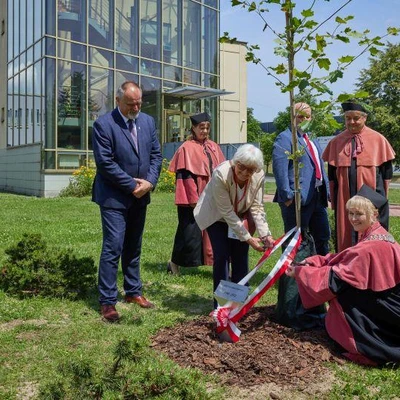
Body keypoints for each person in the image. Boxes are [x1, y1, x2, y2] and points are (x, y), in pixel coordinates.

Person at [286, 185, 400, 365]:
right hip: (390, 304)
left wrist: (300, 272)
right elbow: (345, 259)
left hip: (386, 311)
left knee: (343, 293)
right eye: (350, 213)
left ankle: (366, 345)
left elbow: (335, 279)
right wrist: (316, 261)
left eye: (359, 214)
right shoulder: (379, 235)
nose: (353, 219)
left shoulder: (369, 246)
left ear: (374, 215)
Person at [92, 81, 163, 322]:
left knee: (134, 246)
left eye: (139, 102)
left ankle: (133, 292)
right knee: (113, 246)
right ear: (117, 100)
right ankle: (108, 301)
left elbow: (156, 155)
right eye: (131, 103)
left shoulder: (148, 121)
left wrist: (149, 183)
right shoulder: (103, 125)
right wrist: (133, 185)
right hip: (114, 197)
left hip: (141, 196)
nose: (136, 107)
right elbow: (105, 164)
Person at [194, 144, 275, 309]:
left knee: (241, 256)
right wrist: (248, 238)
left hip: (239, 216)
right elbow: (226, 212)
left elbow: (257, 207)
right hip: (217, 216)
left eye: (250, 170)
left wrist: (266, 234)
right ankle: (221, 307)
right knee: (222, 256)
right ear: (235, 162)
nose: (245, 173)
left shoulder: (258, 175)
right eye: (242, 167)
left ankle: (238, 305)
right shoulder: (221, 174)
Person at [323, 101, 395, 252]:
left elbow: (386, 173)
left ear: (364, 118)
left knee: (372, 231)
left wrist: (382, 199)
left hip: (373, 196)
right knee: (346, 230)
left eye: (356, 118)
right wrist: (335, 200)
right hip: (345, 198)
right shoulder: (337, 142)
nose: (351, 122)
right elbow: (332, 176)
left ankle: (374, 261)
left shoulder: (378, 140)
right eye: (348, 118)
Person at [167, 112, 225, 275]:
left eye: (207, 128)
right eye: (201, 128)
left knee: (214, 231)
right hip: (193, 197)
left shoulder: (214, 146)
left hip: (212, 196)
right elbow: (184, 175)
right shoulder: (186, 148)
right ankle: (174, 263)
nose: (205, 131)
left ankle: (215, 261)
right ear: (193, 128)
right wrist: (194, 199)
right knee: (189, 232)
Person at [272, 102, 330, 256]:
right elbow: (280, 168)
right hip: (296, 198)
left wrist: (327, 191)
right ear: (292, 117)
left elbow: (319, 165)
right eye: (300, 116)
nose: (304, 119)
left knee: (323, 237)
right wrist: (287, 195)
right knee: (296, 241)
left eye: (307, 116)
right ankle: (292, 277)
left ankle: (320, 274)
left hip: (317, 196)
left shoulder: (312, 137)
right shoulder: (285, 138)